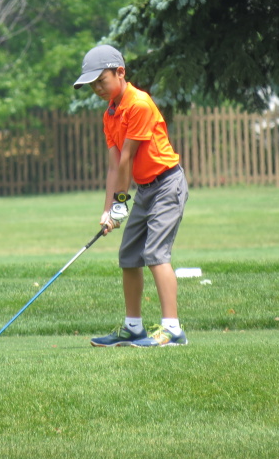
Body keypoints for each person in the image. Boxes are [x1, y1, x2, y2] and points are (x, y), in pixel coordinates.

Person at [73, 44, 190, 347]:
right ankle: (133, 328)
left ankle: (173, 330)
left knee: (155, 254)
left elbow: (127, 159)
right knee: (128, 256)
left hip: (167, 184)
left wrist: (120, 206)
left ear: (120, 72)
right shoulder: (110, 114)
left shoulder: (139, 104)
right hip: (145, 190)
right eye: (93, 85)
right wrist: (108, 211)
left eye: (101, 81)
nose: (98, 89)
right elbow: (114, 167)